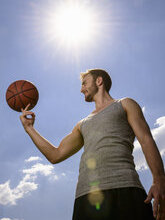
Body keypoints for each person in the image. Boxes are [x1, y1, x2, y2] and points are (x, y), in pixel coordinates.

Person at [20, 68, 165, 220]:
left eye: (84, 83)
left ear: (99, 81)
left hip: (125, 187)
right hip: (86, 196)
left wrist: (159, 181)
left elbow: (146, 139)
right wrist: (29, 128)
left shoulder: (124, 104)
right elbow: (55, 155)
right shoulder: (82, 124)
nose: (81, 89)